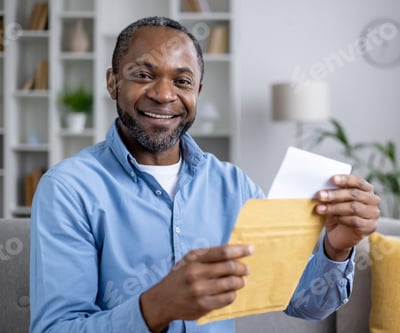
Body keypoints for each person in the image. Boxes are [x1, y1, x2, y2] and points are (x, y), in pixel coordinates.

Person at [29, 16, 380, 333]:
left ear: (196, 92)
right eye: (143, 75)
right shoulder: (67, 190)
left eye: (182, 81)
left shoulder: (234, 186)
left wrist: (336, 247)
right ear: (112, 83)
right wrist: (155, 306)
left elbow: (303, 302)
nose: (164, 94)